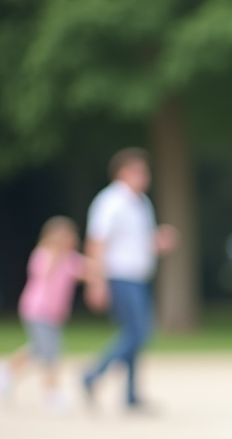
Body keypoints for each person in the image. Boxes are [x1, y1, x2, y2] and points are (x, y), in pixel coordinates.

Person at [81, 148, 177, 410]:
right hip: (118, 276)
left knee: (134, 333)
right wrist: (96, 282)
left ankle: (131, 394)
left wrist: (158, 241)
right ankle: (92, 374)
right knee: (139, 332)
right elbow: (96, 243)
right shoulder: (110, 202)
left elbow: (139, 242)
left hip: (138, 276)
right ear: (121, 172)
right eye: (137, 171)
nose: (144, 176)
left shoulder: (142, 203)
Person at [0, 216, 88, 411]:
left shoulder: (71, 259)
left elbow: (88, 269)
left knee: (39, 349)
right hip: (37, 310)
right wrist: (57, 254)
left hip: (54, 314)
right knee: (50, 352)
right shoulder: (43, 255)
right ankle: (52, 394)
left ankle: (6, 372)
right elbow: (43, 274)